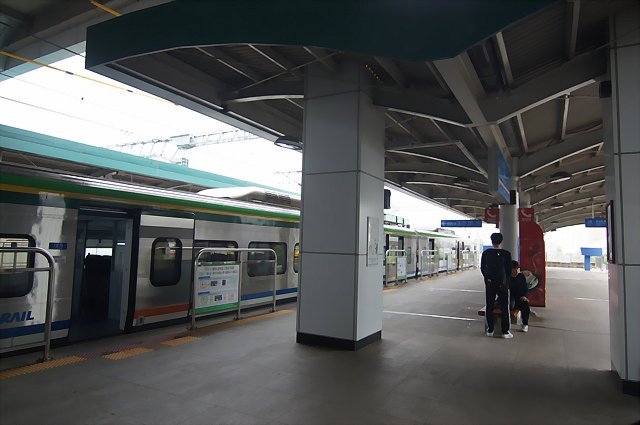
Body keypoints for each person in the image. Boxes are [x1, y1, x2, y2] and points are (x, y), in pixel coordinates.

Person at [480, 233, 513, 338]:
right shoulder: (506, 254)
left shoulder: (486, 253)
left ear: (491, 241)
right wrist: (505, 281)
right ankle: (505, 331)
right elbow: (508, 270)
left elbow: (482, 268)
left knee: (489, 305)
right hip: (502, 284)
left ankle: (490, 330)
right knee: (504, 306)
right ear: (501, 241)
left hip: (490, 284)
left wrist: (487, 279)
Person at [510, 260, 530, 332]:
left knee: (525, 304)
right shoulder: (506, 277)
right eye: (514, 268)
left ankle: (525, 324)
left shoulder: (521, 277)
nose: (516, 270)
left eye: (517, 268)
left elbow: (525, 288)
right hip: (510, 298)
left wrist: (524, 296)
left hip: (519, 298)